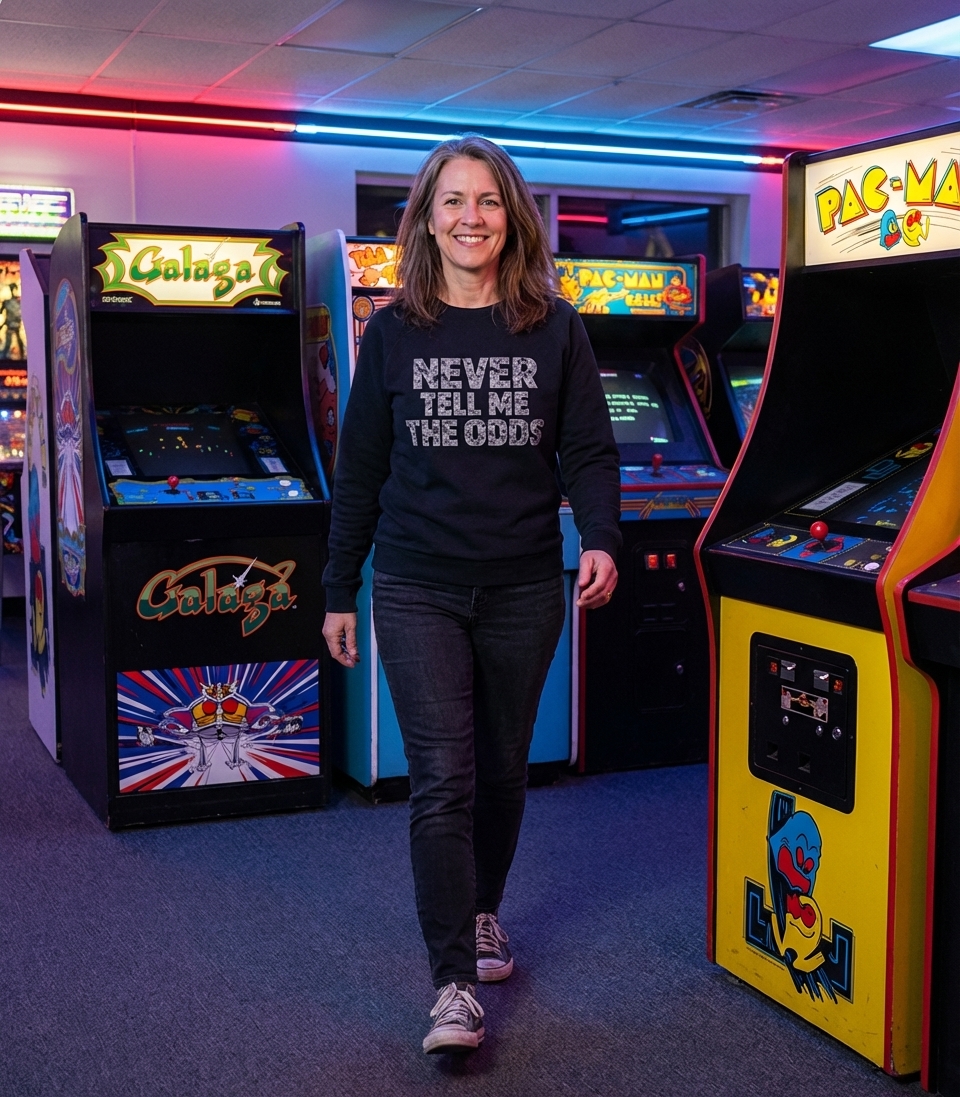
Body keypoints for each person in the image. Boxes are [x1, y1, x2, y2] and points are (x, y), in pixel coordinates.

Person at [322, 135, 621, 1056]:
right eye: (452, 200)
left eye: (488, 200)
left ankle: (485, 909)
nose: (470, 217)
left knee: (500, 770)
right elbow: (360, 468)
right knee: (442, 780)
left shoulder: (554, 326)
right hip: (417, 583)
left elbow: (588, 448)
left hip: (524, 583)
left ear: (512, 217)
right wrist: (340, 586)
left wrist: (601, 536)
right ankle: (452, 984)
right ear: (425, 219)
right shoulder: (394, 331)